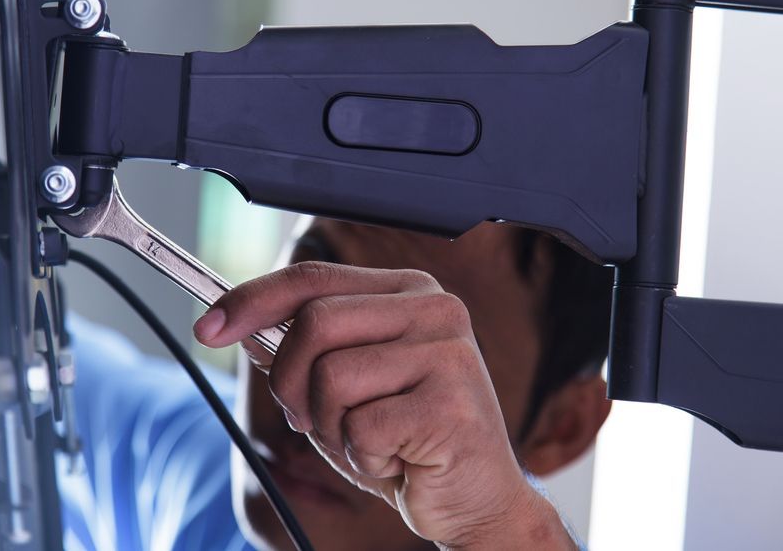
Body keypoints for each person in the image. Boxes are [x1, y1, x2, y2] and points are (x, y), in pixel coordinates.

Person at [60, 217, 614, 550]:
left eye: (410, 363)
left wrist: (499, 529)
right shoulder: (203, 466)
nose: (314, 397)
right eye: (309, 303)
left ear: (562, 428)